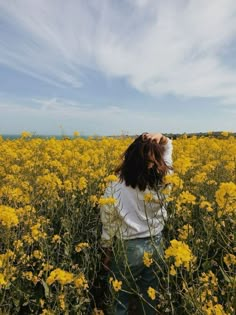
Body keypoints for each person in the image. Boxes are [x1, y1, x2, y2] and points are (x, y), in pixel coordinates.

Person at [100, 132, 173, 315]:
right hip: (156, 245)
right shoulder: (164, 183)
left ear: (129, 156)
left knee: (119, 296)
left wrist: (107, 250)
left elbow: (108, 221)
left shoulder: (115, 186)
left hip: (129, 248)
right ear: (157, 160)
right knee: (149, 295)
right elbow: (168, 153)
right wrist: (162, 139)